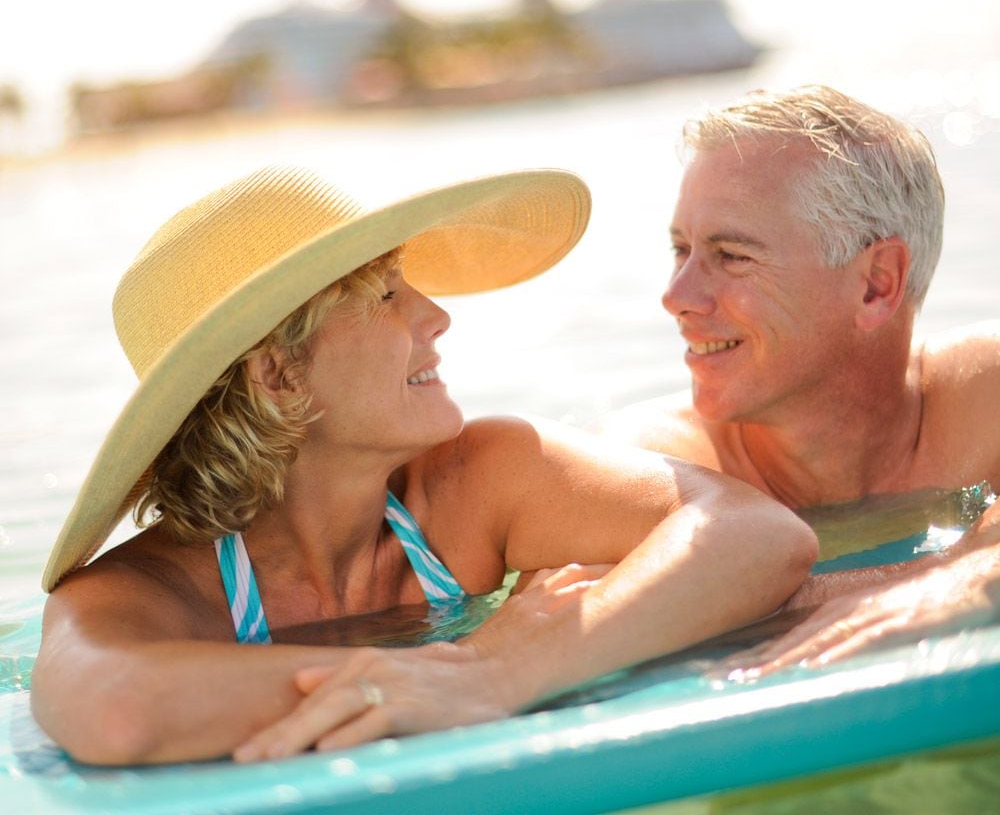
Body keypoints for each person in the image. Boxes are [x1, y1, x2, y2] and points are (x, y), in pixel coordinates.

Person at [31, 165, 816, 766]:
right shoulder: (145, 592)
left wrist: (498, 671)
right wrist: (446, 671)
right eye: (383, 295)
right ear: (277, 374)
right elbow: (117, 710)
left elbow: (757, 533)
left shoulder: (480, 478)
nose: (436, 315)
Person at [597, 84, 1000, 666]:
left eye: (732, 256)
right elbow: (580, 617)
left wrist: (971, 580)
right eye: (681, 250)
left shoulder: (983, 398)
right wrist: (955, 567)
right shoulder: (651, 466)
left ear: (876, 284)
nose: (676, 296)